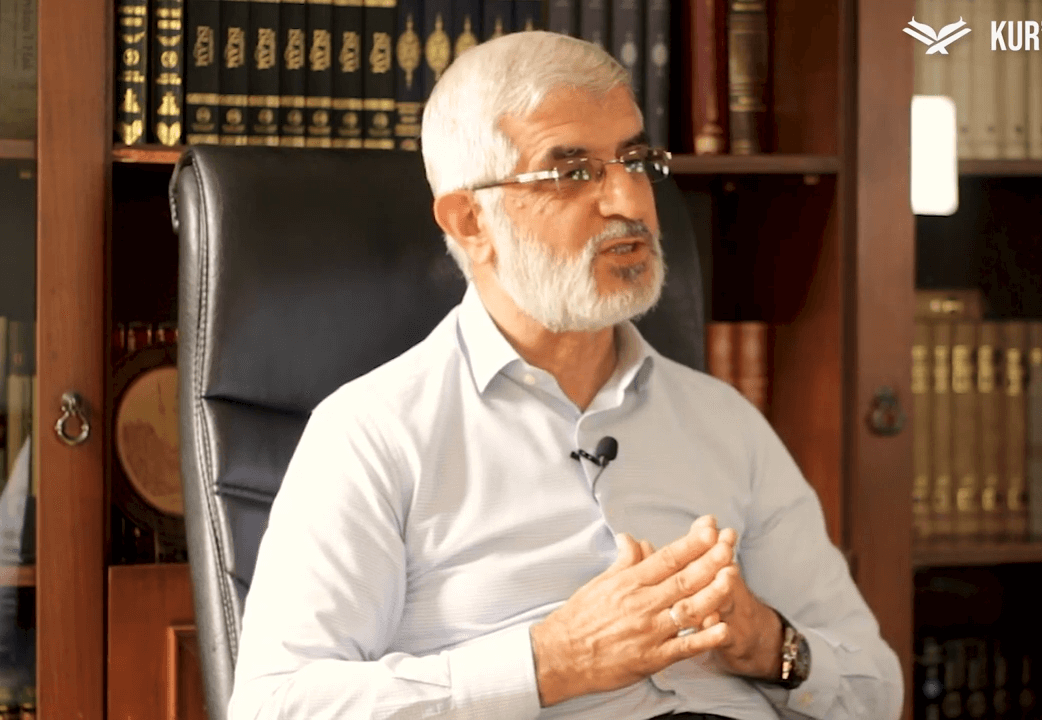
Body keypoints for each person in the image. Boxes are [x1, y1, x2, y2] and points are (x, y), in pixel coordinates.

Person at [229, 30, 903, 720]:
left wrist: (767, 643)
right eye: (574, 173)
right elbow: (276, 705)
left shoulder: (723, 420)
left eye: (635, 161)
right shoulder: (374, 433)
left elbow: (876, 690)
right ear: (470, 221)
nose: (630, 203)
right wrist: (551, 662)